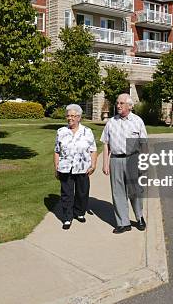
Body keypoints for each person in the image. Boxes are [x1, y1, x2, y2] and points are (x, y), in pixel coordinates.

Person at [101, 93, 147, 234]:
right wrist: (105, 163)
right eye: (117, 103)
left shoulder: (138, 121)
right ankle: (123, 223)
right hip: (115, 159)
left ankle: (139, 217)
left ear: (129, 106)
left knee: (135, 191)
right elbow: (105, 143)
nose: (118, 105)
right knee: (118, 192)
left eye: (121, 103)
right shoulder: (111, 122)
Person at [54, 104, 98, 230]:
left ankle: (79, 212)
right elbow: (57, 150)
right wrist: (56, 166)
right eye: (68, 116)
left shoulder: (87, 132)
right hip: (65, 167)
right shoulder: (61, 132)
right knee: (66, 193)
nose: (70, 118)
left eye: (73, 116)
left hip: (82, 167)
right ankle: (67, 217)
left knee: (82, 192)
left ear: (79, 117)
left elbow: (93, 149)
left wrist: (93, 165)